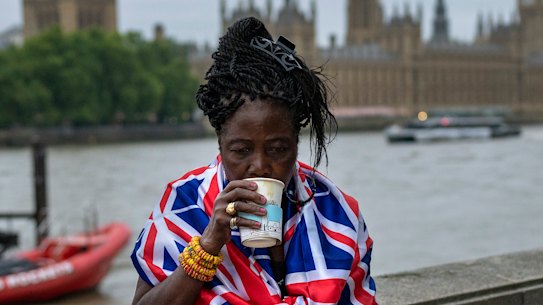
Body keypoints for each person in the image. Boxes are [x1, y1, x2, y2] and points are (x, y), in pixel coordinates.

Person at [131, 17, 377, 305]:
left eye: (277, 149)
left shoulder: (336, 213)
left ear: (296, 144)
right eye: (241, 151)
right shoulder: (185, 203)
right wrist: (208, 246)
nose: (259, 166)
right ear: (220, 144)